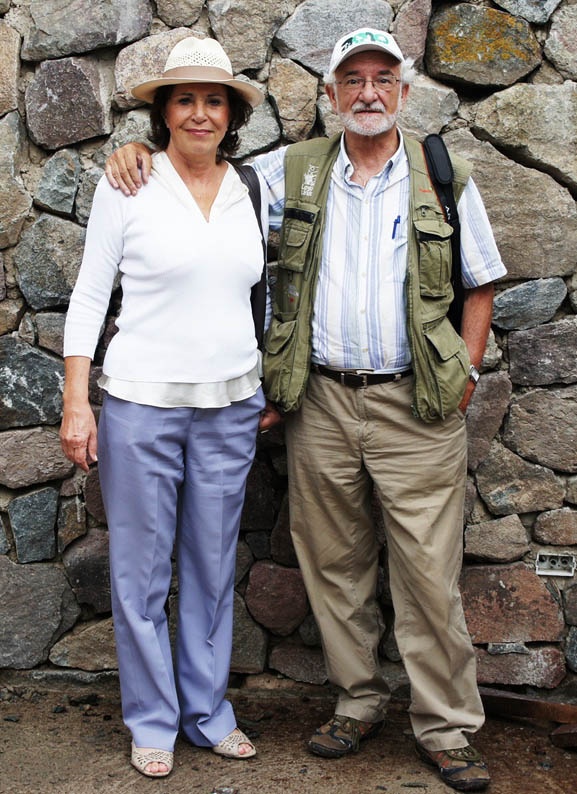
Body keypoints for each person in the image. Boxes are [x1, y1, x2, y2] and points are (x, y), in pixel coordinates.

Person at [105, 28, 505, 791]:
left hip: (416, 404)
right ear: (327, 96)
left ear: (402, 93)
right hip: (319, 400)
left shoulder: (441, 175)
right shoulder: (284, 173)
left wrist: (467, 372)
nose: (365, 93)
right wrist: (132, 151)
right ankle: (355, 703)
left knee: (426, 574)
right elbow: (198, 165)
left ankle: (446, 729)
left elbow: (478, 282)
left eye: (380, 79)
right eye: (349, 79)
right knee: (334, 569)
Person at [61, 36, 280, 779]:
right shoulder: (129, 184)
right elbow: (91, 296)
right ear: (160, 112)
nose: (198, 113)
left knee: (213, 567)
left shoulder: (253, 185)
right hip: (140, 406)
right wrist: (75, 402)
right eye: (182, 99)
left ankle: (208, 712)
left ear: (230, 114)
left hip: (229, 407)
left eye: (212, 99)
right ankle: (152, 721)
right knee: (142, 574)